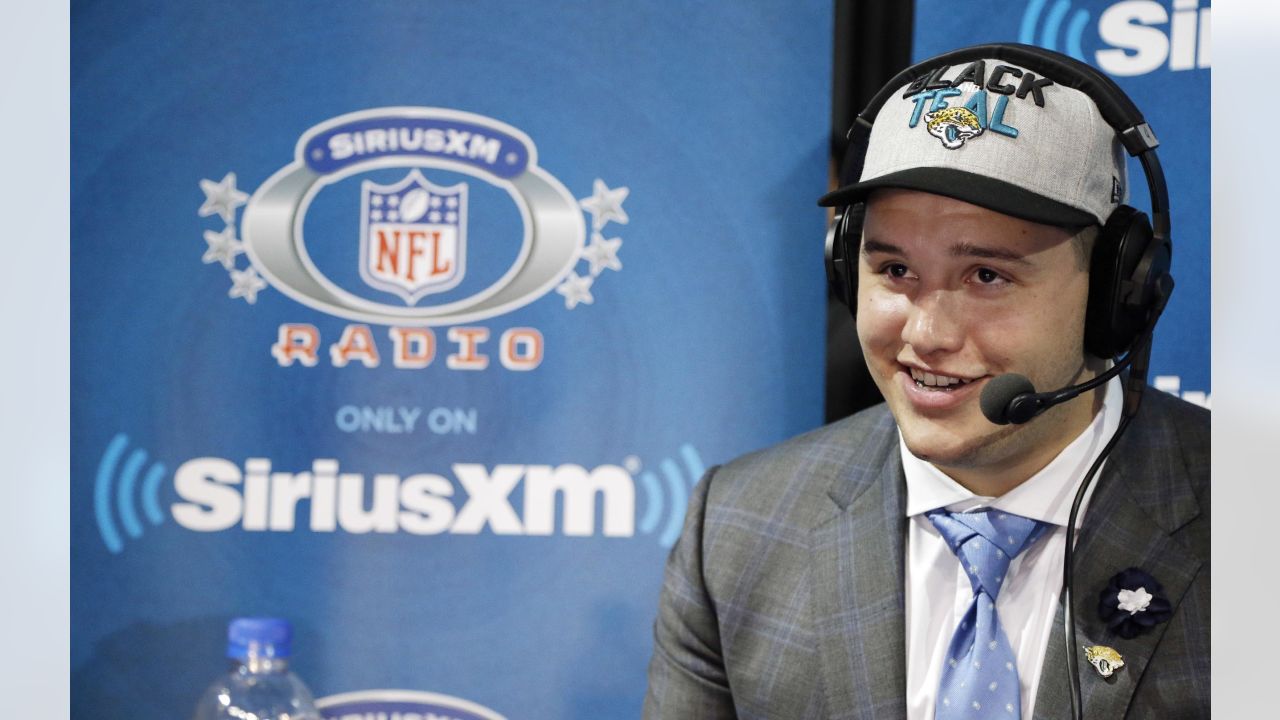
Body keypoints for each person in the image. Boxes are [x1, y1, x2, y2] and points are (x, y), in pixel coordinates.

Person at [642, 44, 1209, 720]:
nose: (927, 335)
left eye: (987, 276)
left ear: (1119, 294)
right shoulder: (738, 529)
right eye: (894, 271)